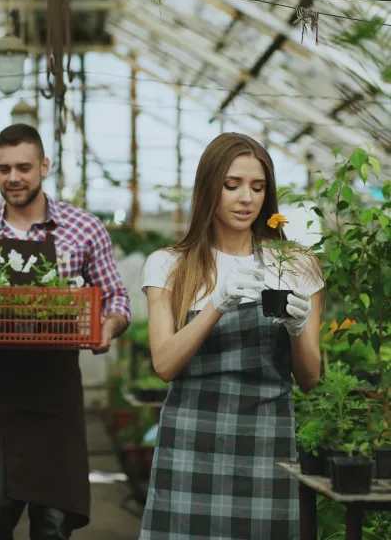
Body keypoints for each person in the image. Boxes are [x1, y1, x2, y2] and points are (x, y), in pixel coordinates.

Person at [0, 124, 131, 540]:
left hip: (54, 393)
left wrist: (107, 327)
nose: (13, 178)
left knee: (53, 524)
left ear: (44, 166)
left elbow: (115, 296)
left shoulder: (83, 229)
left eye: (23, 167)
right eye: (4, 168)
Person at [139, 132, 323, 540]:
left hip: (266, 440)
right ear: (209, 188)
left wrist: (297, 329)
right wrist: (216, 303)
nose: (246, 198)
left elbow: (310, 378)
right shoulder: (170, 266)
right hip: (191, 438)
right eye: (232, 185)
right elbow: (165, 364)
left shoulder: (295, 265)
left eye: (258, 187)